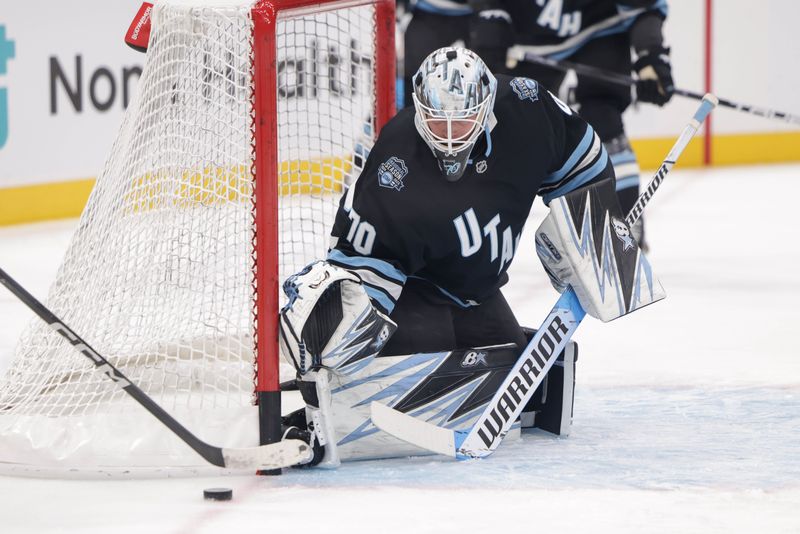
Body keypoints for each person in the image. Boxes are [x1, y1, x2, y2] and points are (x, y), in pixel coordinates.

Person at [278, 47, 664, 467]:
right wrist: (345, 340)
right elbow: (365, 264)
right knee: (411, 363)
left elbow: (584, 163)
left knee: (511, 370)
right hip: (414, 290)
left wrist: (594, 234)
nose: (448, 137)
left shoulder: (526, 108)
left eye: (461, 122)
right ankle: (317, 412)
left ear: (486, 110)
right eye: (436, 121)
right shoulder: (396, 163)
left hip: (475, 291)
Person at [470, 0, 674, 249]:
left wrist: (650, 53)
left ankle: (625, 224)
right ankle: (475, 228)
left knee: (604, 118)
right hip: (529, 35)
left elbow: (644, 6)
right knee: (508, 118)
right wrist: (492, 16)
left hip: (597, 27)